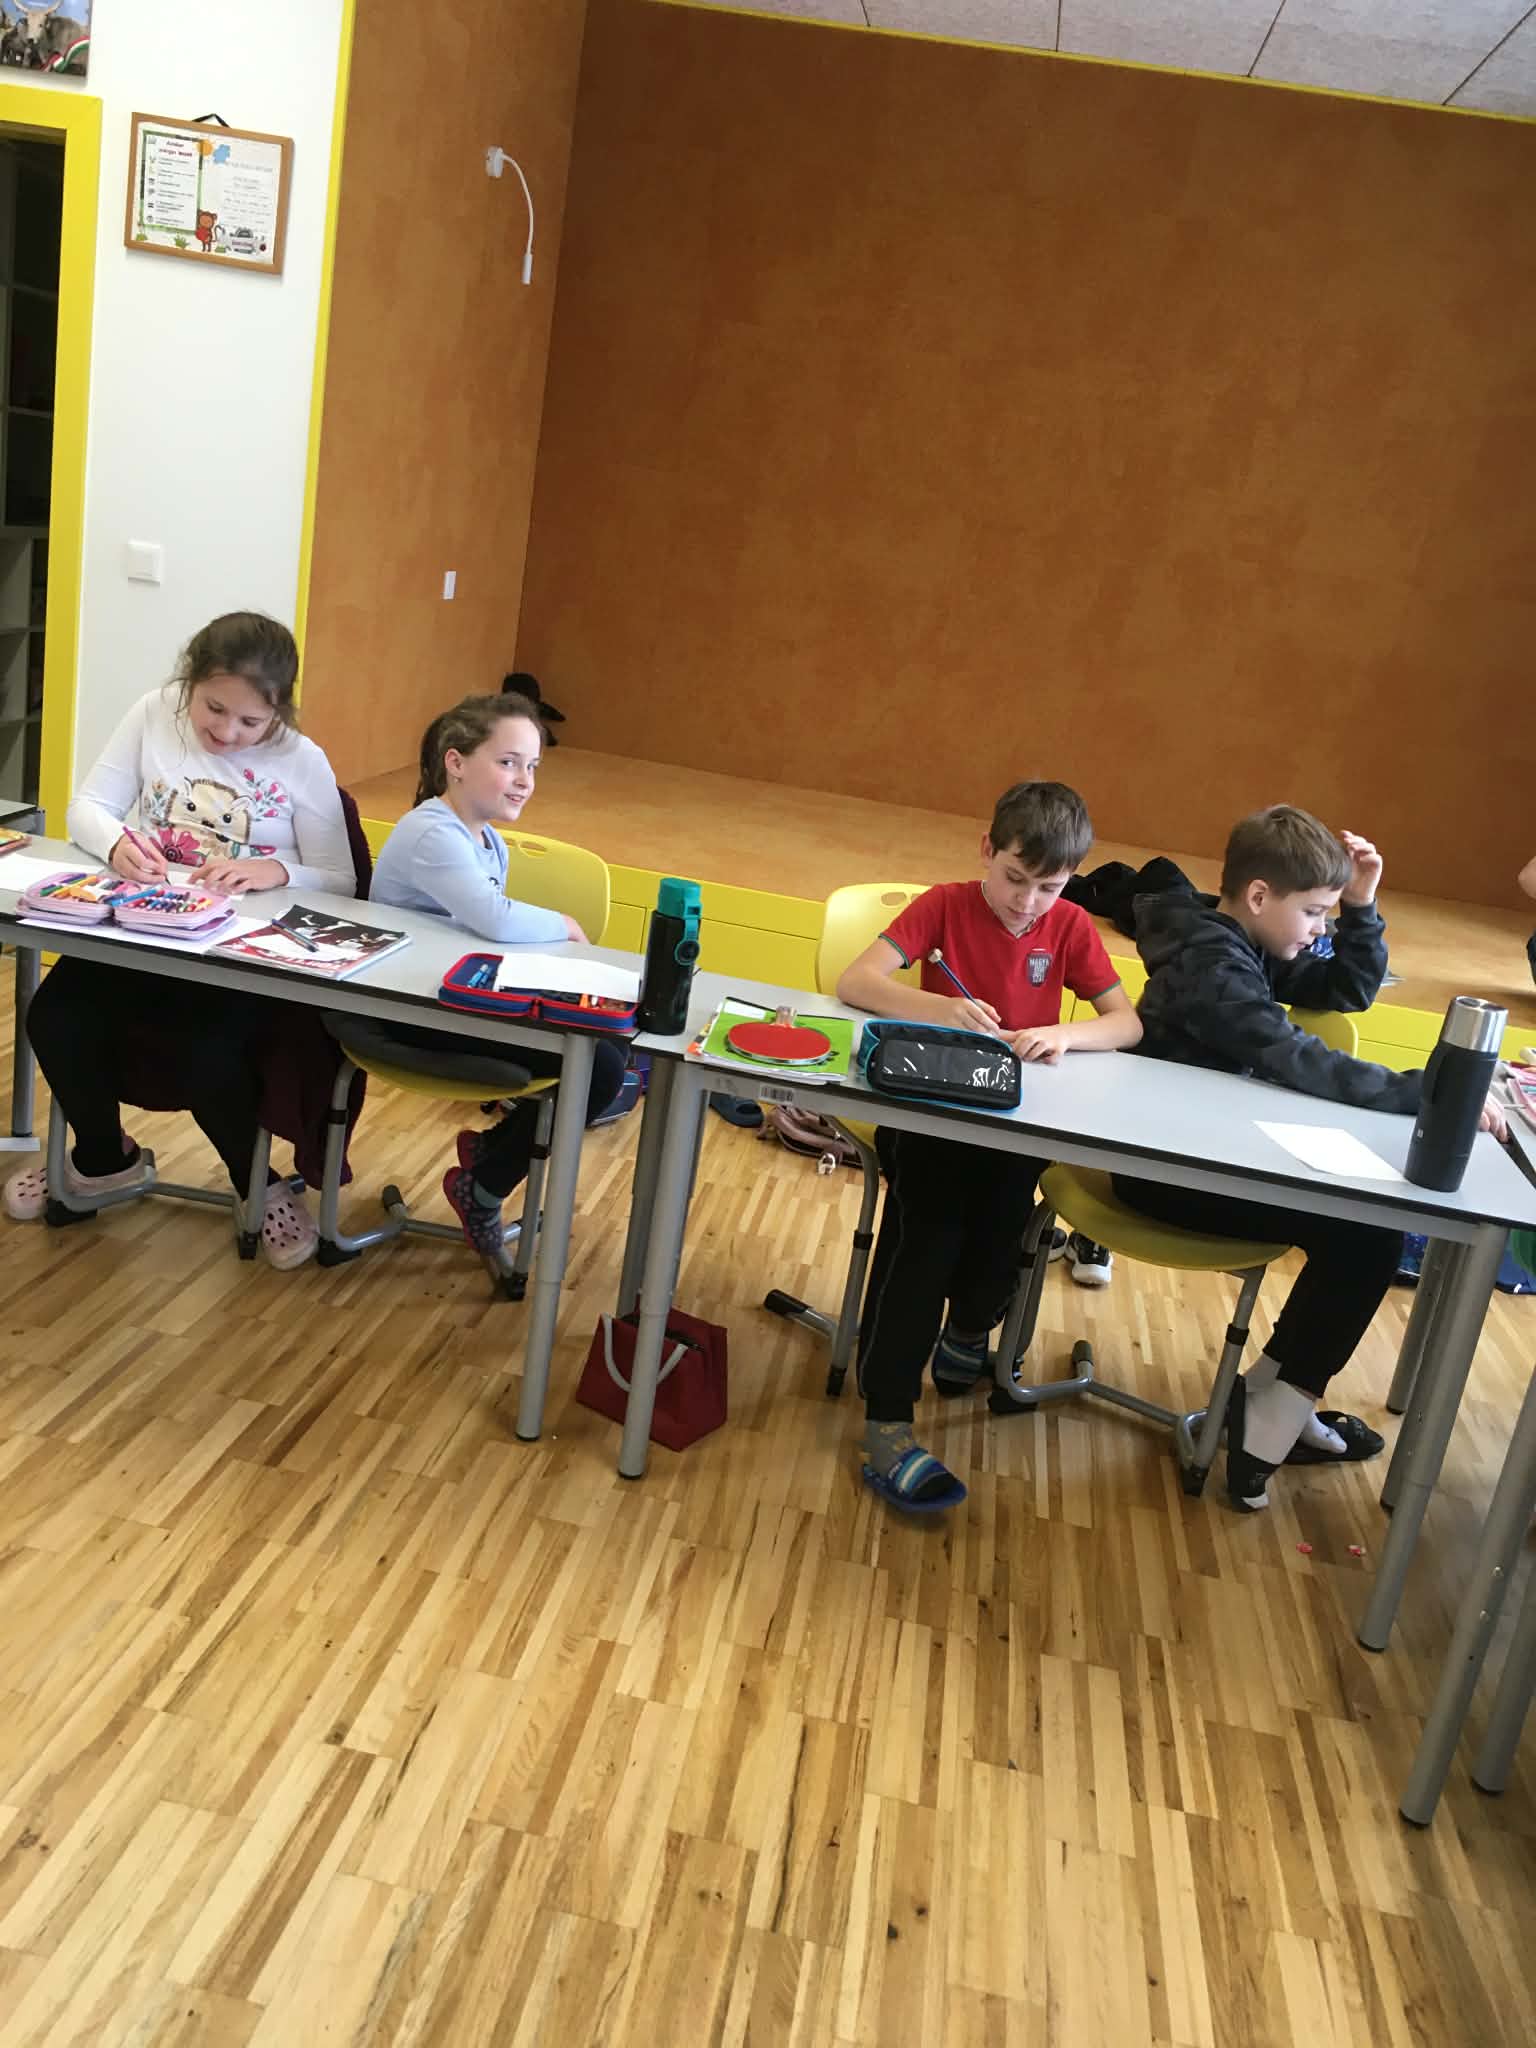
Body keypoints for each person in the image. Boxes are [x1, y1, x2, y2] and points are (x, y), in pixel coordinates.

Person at [1119, 805, 1506, 1512]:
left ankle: (1273, 1396)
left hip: (1206, 1151)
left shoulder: (1245, 939)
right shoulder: (1210, 965)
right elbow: (1295, 1057)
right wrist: (1428, 1096)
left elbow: (1348, 990)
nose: (1321, 930)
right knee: (1367, 1235)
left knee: (1366, 1229)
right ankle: (1275, 1414)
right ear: (1259, 896)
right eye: (1315, 913)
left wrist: (1360, 907)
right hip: (1165, 1172)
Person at [2, 612, 356, 1267]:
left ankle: (259, 1185)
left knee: (205, 1052)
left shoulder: (301, 760)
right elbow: (88, 808)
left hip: (236, 952)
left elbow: (342, 878)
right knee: (54, 1017)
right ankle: (103, 1160)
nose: (227, 732)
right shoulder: (154, 712)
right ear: (190, 682)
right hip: (147, 925)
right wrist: (117, 843)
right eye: (213, 709)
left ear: (280, 711)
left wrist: (275, 870)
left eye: (251, 722)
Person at [835, 781, 1142, 1512]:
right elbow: (856, 980)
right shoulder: (943, 905)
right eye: (1014, 877)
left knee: (1002, 1241)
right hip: (930, 1118)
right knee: (926, 1242)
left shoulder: (1068, 925)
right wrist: (940, 1009)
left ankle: (969, 1332)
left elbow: (1126, 1024)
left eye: (1049, 887)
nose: (1027, 902)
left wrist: (1064, 1034)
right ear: (986, 849)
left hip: (1012, 1127)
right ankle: (886, 1420)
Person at [369, 692, 627, 1269]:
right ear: (456, 762)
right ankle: (483, 1185)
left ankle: (491, 1156)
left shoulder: (487, 839)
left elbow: (490, 934)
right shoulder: (433, 832)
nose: (524, 780)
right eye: (508, 762)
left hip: (448, 996)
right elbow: (495, 920)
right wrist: (565, 924)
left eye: (532, 766)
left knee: (610, 1048)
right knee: (600, 1067)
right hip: (405, 1009)